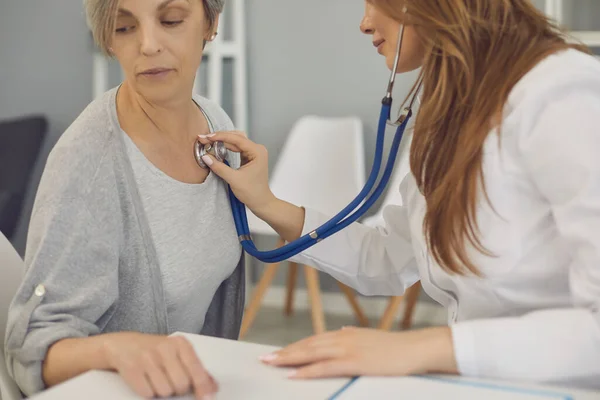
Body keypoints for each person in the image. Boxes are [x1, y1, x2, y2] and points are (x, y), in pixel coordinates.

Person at [198, 0, 600, 390]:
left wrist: (415, 348)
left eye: (375, 1)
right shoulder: (449, 108)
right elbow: (389, 258)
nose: (364, 23)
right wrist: (266, 203)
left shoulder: (562, 93)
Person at [4, 0, 244, 398]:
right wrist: (117, 348)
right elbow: (31, 349)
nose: (148, 44)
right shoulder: (89, 159)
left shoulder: (214, 123)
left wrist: (265, 202)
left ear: (210, 23)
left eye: (170, 20)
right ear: (108, 41)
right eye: (123, 28)